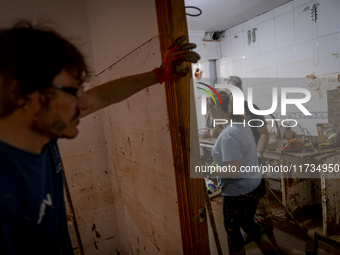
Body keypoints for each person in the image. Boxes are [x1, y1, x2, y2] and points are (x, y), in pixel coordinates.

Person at [0, 21, 200, 254]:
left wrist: (158, 74)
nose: (84, 103)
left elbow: (102, 97)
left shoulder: (41, 131)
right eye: (73, 92)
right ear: (23, 96)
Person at [208, 90, 280, 255]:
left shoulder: (229, 135)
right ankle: (272, 252)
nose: (210, 115)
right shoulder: (242, 125)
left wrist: (211, 169)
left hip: (238, 193)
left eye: (210, 111)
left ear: (216, 110)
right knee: (249, 223)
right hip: (254, 186)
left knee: (233, 233)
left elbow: (233, 170)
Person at [226, 76, 279, 249]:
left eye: (240, 90)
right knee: (241, 215)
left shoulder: (251, 108)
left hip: (253, 168)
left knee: (262, 209)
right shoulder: (222, 111)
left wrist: (258, 152)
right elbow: (214, 133)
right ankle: (248, 233)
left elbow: (264, 133)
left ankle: (271, 242)